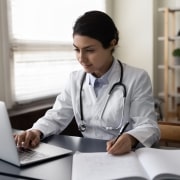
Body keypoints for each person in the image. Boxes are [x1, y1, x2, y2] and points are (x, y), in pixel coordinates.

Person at [14, 10, 160, 155]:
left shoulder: (137, 78)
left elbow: (149, 125)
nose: (81, 58)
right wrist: (36, 131)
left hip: (126, 155)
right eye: (77, 50)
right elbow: (57, 115)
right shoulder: (75, 79)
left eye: (89, 50)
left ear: (112, 44)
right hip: (88, 156)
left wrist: (130, 138)